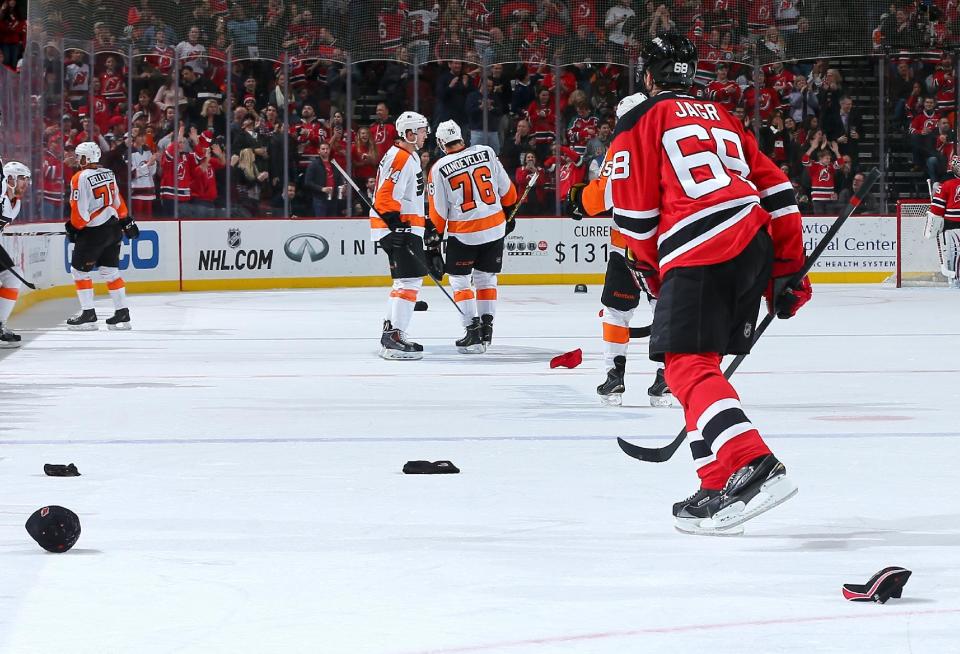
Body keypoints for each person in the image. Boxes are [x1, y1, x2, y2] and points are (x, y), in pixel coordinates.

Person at [605, 34, 811, 535]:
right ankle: (717, 481)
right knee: (700, 371)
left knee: (686, 365)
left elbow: (633, 221)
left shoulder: (639, 119)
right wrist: (788, 271)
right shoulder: (727, 118)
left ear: (649, 77)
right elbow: (780, 192)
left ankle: (752, 463)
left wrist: (654, 273)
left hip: (700, 243)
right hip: (753, 239)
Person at [566, 93, 673, 408]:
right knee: (664, 311)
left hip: (625, 245)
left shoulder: (621, 147)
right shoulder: (671, 142)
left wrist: (580, 198)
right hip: (664, 245)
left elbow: (601, 197)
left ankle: (614, 377)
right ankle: (666, 378)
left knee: (616, 310)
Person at [427, 120, 518, 353]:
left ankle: (472, 331)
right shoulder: (486, 152)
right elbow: (509, 193)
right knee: (486, 279)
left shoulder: (438, 168)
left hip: (465, 233)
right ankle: (487, 330)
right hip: (495, 227)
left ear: (440, 143)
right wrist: (508, 213)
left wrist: (433, 244)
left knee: (460, 280)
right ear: (462, 137)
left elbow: (438, 213)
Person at [371, 111, 430, 359]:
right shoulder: (401, 158)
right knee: (410, 282)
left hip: (403, 226)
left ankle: (390, 330)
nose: (425, 134)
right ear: (409, 134)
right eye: (421, 130)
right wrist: (395, 226)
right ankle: (394, 336)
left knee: (402, 282)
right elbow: (385, 196)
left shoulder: (407, 155)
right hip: (400, 228)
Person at [64, 142, 139, 330]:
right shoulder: (108, 173)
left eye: (79, 156)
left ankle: (88, 314)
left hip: (93, 231)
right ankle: (122, 312)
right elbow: (118, 202)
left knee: (79, 271)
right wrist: (125, 220)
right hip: (114, 229)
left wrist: (74, 227)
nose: (77, 159)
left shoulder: (79, 177)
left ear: (86, 158)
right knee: (110, 271)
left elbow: (79, 211)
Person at [0, 161, 30, 347]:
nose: (25, 183)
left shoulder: (14, 202)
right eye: (22, 179)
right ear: (9, 179)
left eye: (27, 179)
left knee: (13, 277)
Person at [925, 155, 960, 288]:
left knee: (955, 252)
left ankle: (955, 278)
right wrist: (933, 221)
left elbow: (936, 208)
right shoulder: (946, 185)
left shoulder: (946, 184)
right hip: (951, 225)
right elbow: (937, 208)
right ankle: (955, 279)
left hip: (951, 225)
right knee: (954, 252)